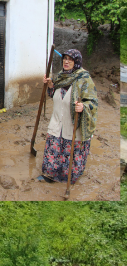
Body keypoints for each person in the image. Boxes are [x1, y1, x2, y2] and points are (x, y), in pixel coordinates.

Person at [40, 49, 98, 184]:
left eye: (70, 59)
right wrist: (50, 86)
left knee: (70, 159)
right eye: (65, 58)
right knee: (53, 150)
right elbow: (54, 95)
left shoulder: (84, 79)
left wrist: (83, 107)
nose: (66, 61)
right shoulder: (61, 76)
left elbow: (93, 103)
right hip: (57, 122)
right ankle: (50, 175)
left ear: (76, 62)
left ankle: (67, 179)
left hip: (73, 126)